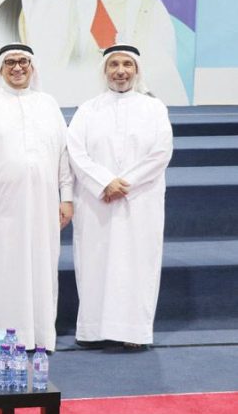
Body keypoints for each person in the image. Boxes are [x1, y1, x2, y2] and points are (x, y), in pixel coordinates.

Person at [0, 44, 73, 351]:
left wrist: (67, 197)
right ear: (0, 68)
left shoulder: (48, 104)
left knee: (41, 267)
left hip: (42, 206)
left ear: (32, 67)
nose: (17, 67)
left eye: (23, 62)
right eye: (10, 62)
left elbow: (64, 155)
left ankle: (37, 336)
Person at [67, 44, 172, 350]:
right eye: (114, 65)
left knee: (137, 262)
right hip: (97, 201)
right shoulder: (88, 110)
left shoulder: (154, 108)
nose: (121, 71)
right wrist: (104, 183)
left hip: (140, 201)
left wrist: (125, 184)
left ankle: (134, 332)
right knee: (94, 261)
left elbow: (161, 152)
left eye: (127, 64)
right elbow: (76, 152)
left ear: (137, 70)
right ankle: (93, 330)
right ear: (104, 71)